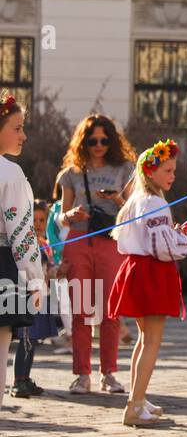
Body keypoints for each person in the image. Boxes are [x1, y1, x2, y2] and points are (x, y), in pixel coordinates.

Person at [108, 139, 187, 427]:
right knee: (152, 341)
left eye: (173, 171)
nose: (172, 176)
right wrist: (180, 237)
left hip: (138, 270)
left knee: (144, 339)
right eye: (167, 170)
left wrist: (170, 232)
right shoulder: (154, 203)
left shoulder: (138, 201)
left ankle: (138, 398)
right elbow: (163, 248)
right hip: (152, 273)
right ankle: (134, 405)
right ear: (150, 173)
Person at [55, 114, 136, 395]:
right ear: (83, 141)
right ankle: (82, 375)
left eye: (104, 139)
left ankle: (109, 373)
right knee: (81, 312)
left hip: (110, 241)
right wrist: (71, 214)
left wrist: (117, 199)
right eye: (92, 140)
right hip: (79, 240)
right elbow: (60, 218)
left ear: (112, 140)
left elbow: (134, 210)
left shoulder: (125, 168)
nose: (98, 145)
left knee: (110, 311)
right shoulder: (71, 173)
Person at [0, 95, 44, 437]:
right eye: (17, 128)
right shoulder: (10, 174)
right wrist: (35, 279)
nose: (23, 136)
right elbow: (22, 234)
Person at [11, 198, 51, 399]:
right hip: (28, 297)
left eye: (42, 220)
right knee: (26, 339)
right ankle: (18, 380)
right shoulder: (25, 245)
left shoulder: (44, 246)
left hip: (40, 297)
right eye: (34, 220)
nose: (38, 224)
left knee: (33, 340)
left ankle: (26, 378)